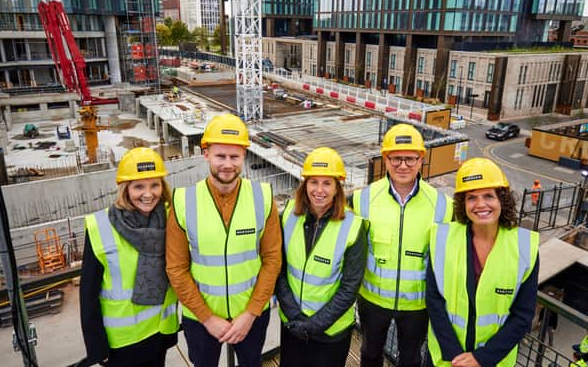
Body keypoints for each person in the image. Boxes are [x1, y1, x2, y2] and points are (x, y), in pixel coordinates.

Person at [166, 113, 282, 367]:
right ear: (205, 154)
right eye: (220, 156)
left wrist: (250, 313)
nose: (227, 164)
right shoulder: (183, 201)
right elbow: (176, 268)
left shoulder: (262, 197)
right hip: (200, 319)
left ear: (244, 156)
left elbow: (272, 259)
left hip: (251, 316)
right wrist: (207, 318)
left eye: (234, 157)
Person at [352, 124, 453, 367]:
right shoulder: (363, 199)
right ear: (385, 159)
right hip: (373, 302)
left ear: (421, 160)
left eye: (410, 158)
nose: (403, 165)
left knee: (410, 360)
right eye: (396, 158)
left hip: (417, 306)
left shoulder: (442, 205)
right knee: (369, 354)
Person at [426, 158, 540, 367]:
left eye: (488, 196)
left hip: (492, 360)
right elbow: (434, 301)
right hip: (446, 358)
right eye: (471, 198)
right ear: (463, 203)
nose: (480, 205)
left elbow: (523, 315)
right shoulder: (442, 238)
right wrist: (454, 356)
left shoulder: (525, 247)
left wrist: (482, 358)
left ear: (502, 200)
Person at [79, 148, 179, 367]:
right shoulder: (101, 227)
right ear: (125, 189)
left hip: (159, 333)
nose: (148, 193)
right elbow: (88, 295)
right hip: (122, 344)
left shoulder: (171, 218)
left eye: (155, 184)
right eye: (139, 186)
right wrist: (97, 347)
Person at [276, 147, 367, 367]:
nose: (319, 190)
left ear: (338, 188)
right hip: (292, 325)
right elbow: (278, 269)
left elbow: (349, 288)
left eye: (327, 183)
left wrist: (312, 326)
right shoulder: (288, 215)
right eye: (313, 182)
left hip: (330, 333)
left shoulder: (353, 227)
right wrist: (295, 317)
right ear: (304, 184)